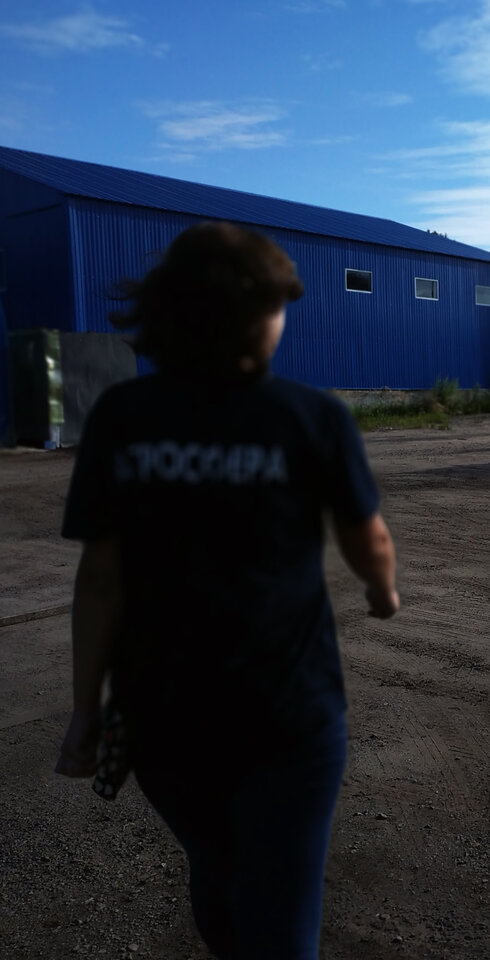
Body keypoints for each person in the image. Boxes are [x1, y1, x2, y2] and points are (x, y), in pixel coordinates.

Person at [54, 221, 399, 959]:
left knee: (218, 871)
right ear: (254, 314)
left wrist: (85, 709)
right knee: (282, 908)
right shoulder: (310, 416)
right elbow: (366, 536)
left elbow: (101, 578)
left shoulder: (121, 418)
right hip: (288, 714)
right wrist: (382, 592)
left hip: (164, 720)